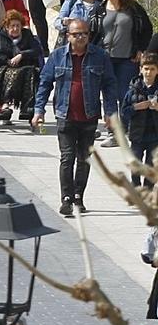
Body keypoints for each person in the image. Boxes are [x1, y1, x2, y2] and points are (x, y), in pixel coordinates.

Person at [36, 17, 118, 216]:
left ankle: (78, 196)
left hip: (89, 116)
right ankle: (66, 198)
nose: (80, 37)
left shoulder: (99, 56)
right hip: (65, 115)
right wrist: (39, 110)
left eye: (84, 34)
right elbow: (45, 83)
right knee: (67, 158)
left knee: (84, 159)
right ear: (67, 36)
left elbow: (109, 84)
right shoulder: (57, 57)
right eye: (76, 34)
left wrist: (110, 112)